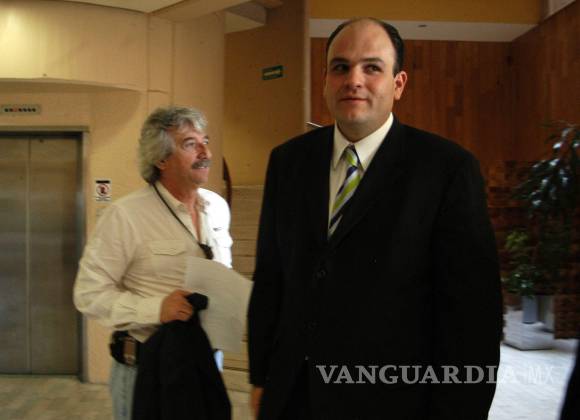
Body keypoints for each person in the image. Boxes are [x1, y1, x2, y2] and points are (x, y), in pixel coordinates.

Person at [247, 18, 503, 419]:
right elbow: (270, 278)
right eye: (340, 67)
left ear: (398, 84)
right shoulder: (288, 162)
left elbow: (473, 318)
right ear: (325, 80)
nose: (354, 80)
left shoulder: (446, 170)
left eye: (372, 67)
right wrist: (261, 376)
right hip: (293, 395)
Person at [74, 106, 233, 420]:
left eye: (205, 141)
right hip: (147, 371)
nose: (205, 153)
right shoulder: (126, 215)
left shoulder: (217, 207)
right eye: (190, 144)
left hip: (205, 362)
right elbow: (88, 294)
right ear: (161, 159)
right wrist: (156, 308)